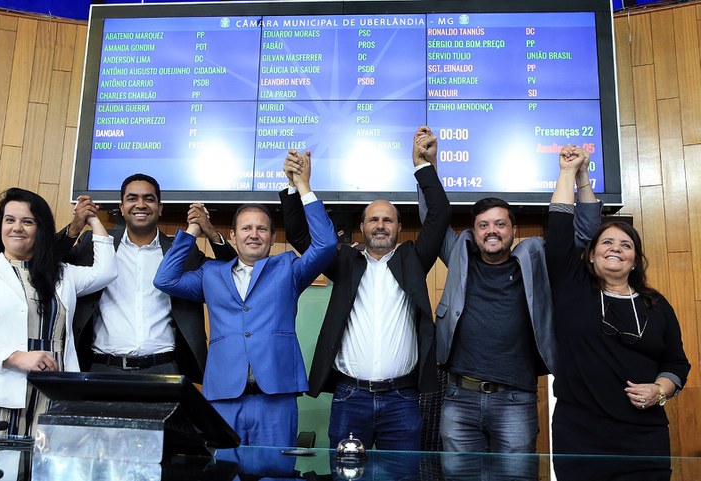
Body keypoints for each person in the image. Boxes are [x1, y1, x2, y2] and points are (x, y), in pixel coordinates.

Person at [280, 126, 449, 450]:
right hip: (350, 397)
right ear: (362, 227)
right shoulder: (345, 262)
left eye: (387, 220)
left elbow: (439, 216)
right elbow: (301, 237)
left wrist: (423, 166)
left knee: (401, 473)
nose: (380, 226)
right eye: (373, 220)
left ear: (399, 227)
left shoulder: (412, 261)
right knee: (346, 472)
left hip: (401, 398)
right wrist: (296, 186)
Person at [424, 144, 602, 454]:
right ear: (474, 232)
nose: (491, 231)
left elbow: (586, 233)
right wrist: (429, 166)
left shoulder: (536, 260)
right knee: (460, 477)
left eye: (500, 224)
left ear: (513, 230)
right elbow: (434, 218)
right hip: (459, 397)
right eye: (483, 225)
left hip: (515, 399)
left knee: (515, 475)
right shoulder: (459, 256)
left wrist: (581, 177)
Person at [153, 154, 337, 447]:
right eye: (246, 228)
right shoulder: (211, 274)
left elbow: (326, 244)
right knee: (225, 468)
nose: (254, 235)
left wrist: (303, 186)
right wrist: (193, 230)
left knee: (274, 469)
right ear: (233, 235)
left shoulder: (288, 269)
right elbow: (165, 279)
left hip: (276, 397)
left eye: (261, 229)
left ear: (273, 237)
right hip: (224, 395)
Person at [546, 145, 690, 479]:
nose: (616, 249)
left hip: (644, 440)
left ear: (635, 260)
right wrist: (570, 172)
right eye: (607, 243)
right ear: (591, 255)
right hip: (579, 438)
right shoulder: (572, 288)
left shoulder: (657, 305)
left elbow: (676, 364)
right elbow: (560, 227)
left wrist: (660, 390)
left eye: (626, 245)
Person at [0, 188, 117, 437]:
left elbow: (107, 271)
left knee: (44, 461)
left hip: (51, 396)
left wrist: (92, 219)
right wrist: (16, 357)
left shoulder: (63, 274)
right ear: (0, 226)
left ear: (41, 230)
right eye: (9, 220)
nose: (17, 228)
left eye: (27, 221)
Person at [57, 174, 237, 378]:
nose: (141, 204)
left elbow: (232, 274)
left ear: (160, 208)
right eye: (132, 198)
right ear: (122, 207)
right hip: (102, 368)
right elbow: (46, 266)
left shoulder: (181, 251)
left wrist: (211, 232)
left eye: (149, 199)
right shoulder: (95, 244)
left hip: (165, 369)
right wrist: (74, 228)